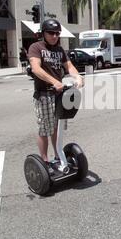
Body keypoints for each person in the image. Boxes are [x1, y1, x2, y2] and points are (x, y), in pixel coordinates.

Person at [28, 19, 84, 172]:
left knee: (56, 128)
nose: (54, 36)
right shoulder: (36, 47)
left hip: (59, 95)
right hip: (43, 95)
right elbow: (36, 69)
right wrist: (54, 81)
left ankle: (58, 156)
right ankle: (44, 161)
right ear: (43, 33)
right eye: (51, 33)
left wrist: (77, 77)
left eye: (57, 33)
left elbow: (69, 66)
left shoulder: (59, 50)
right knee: (45, 129)